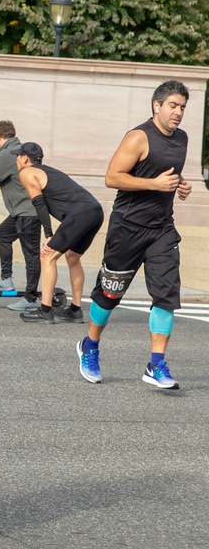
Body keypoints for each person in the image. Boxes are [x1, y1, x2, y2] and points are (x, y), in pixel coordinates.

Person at [77, 80, 193, 390]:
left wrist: (180, 185)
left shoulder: (181, 139)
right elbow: (112, 177)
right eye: (173, 105)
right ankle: (89, 345)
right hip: (127, 228)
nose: (178, 112)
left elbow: (165, 173)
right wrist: (155, 185)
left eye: (182, 107)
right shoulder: (138, 137)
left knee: (166, 295)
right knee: (110, 293)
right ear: (157, 106)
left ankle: (156, 365)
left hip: (162, 230)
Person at [13, 143, 103, 324]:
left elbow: (39, 204)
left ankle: (45, 311)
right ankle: (75, 310)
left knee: (47, 256)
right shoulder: (47, 171)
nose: (16, 159)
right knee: (72, 257)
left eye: (18, 156)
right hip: (95, 211)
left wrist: (48, 234)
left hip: (80, 214)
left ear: (24, 158)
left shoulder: (27, 173)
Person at [0, 120, 42, 311]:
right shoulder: (18, 149)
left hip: (27, 212)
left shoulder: (8, 152)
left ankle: (31, 299)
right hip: (21, 211)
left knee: (31, 255)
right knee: (3, 233)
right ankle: (6, 279)